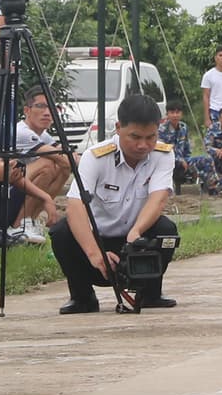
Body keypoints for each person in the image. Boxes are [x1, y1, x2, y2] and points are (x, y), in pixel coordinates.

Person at [52, 92, 180, 314]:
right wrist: (94, 253)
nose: (143, 145)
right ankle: (82, 297)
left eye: (150, 137)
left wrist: (136, 233)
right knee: (61, 231)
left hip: (135, 240)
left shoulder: (163, 155)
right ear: (118, 127)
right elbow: (75, 206)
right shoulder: (96, 157)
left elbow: (158, 199)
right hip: (96, 242)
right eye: (135, 137)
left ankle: (149, 293)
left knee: (166, 231)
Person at [6, 88, 70, 244]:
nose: (48, 113)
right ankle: (18, 226)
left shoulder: (44, 135)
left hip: (23, 189)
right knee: (48, 164)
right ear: (27, 110)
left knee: (61, 167)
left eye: (52, 108)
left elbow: (67, 161)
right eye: (41, 106)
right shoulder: (21, 132)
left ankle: (30, 221)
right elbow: (63, 158)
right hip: (5, 193)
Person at [158, 104, 195, 189]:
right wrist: (180, 160)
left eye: (177, 112)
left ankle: (212, 191)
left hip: (183, 160)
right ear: (167, 114)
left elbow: (187, 148)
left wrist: (186, 160)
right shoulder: (162, 129)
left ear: (181, 114)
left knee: (205, 160)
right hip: (167, 161)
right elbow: (162, 150)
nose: (175, 115)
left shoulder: (184, 127)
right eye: (172, 112)